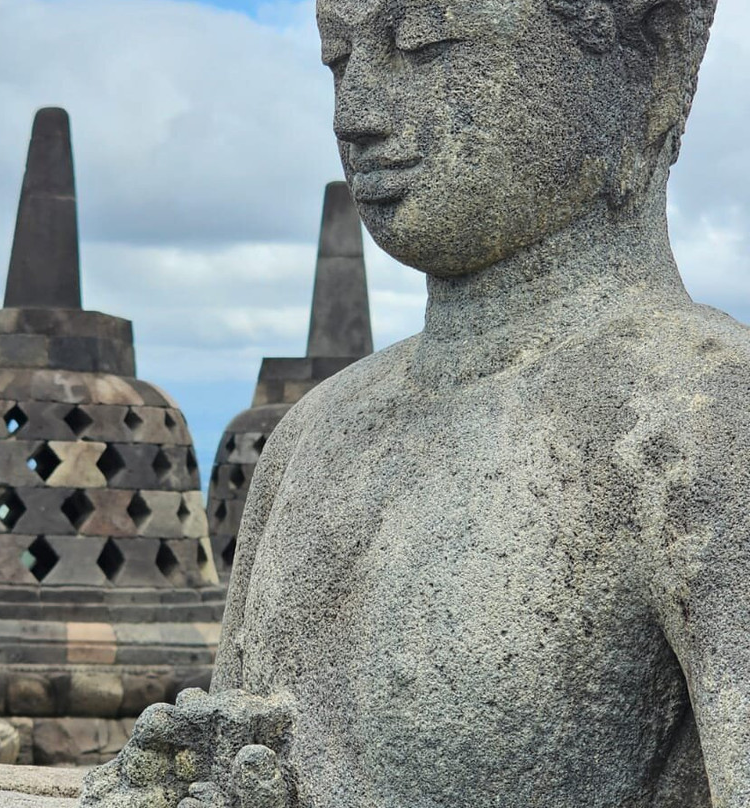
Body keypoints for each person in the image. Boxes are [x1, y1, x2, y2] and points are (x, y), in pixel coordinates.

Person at [81, 1, 742, 805]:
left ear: (654, 72)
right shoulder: (315, 433)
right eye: (338, 61)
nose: (355, 116)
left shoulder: (704, 416)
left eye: (425, 48)